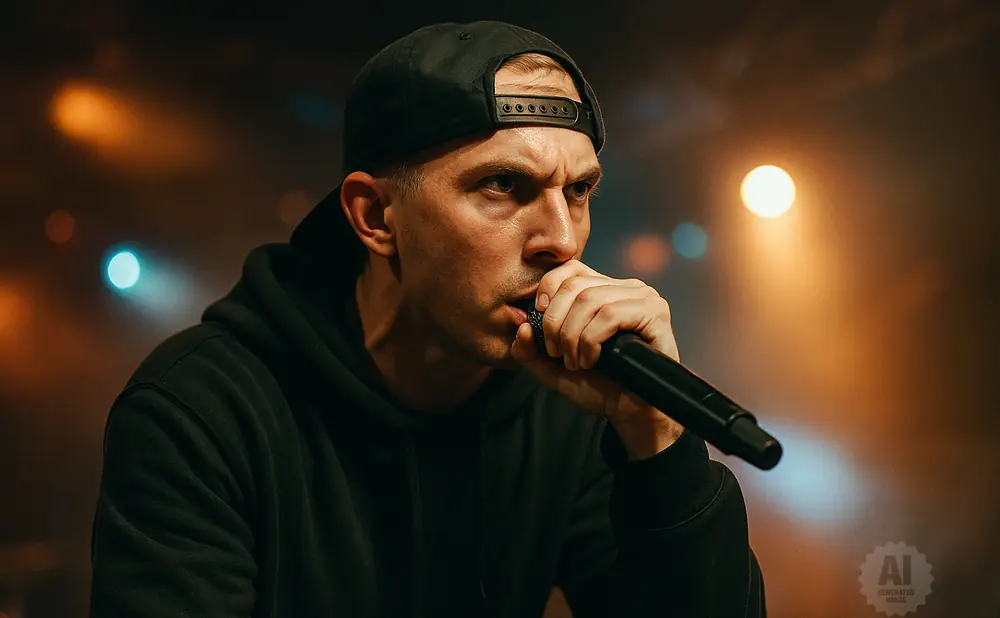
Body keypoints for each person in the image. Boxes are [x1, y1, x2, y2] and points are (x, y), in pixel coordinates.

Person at [88, 20, 767, 618]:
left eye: (579, 190)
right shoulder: (202, 411)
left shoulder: (572, 403)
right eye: (503, 185)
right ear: (376, 217)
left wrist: (658, 442)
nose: (560, 237)